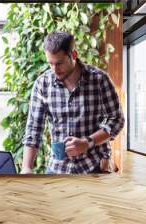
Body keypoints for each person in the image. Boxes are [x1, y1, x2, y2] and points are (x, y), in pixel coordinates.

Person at [21, 31, 125, 174]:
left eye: (59, 63)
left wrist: (87, 142)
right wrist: (26, 168)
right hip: (56, 169)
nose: (54, 70)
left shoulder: (99, 80)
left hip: (93, 167)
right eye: (50, 64)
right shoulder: (42, 84)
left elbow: (117, 120)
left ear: (73, 55)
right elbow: (33, 129)